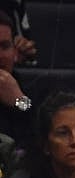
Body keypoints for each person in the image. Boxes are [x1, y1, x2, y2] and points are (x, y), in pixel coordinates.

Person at [0, 9, 33, 157]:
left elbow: (41, 128)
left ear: (15, 52)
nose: (0, 55)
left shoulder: (26, 85)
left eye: (5, 46)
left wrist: (19, 101)